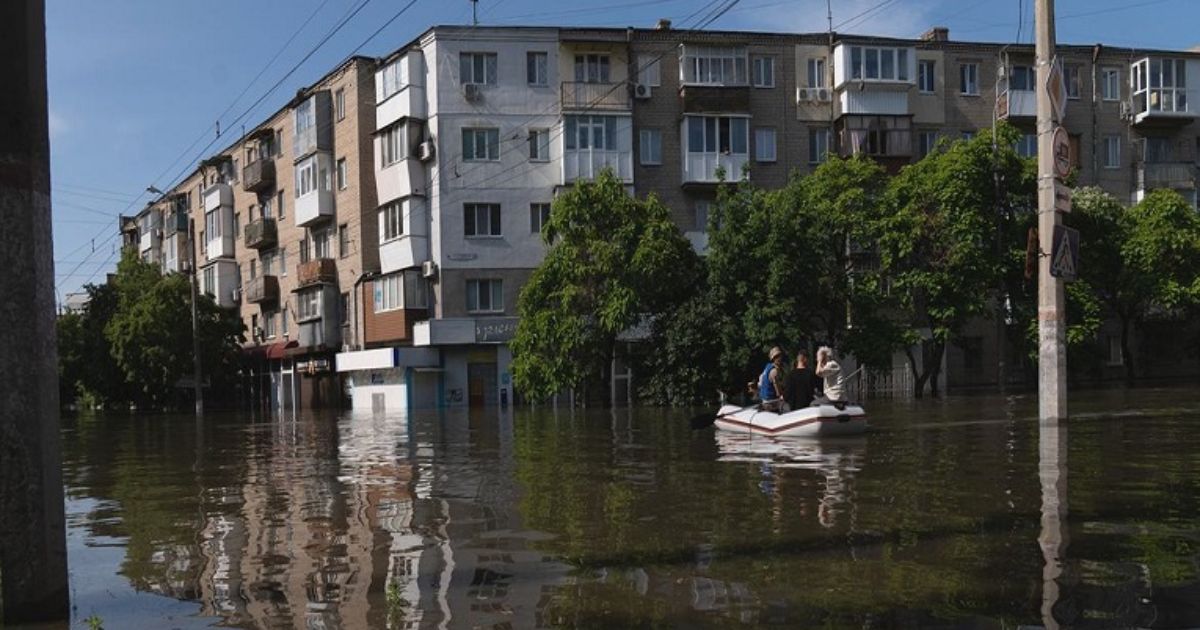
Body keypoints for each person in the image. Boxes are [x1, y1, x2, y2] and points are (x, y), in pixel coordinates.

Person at [757, 346, 788, 412]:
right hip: (771, 403)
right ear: (773, 358)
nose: (779, 358)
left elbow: (760, 383)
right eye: (777, 357)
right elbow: (778, 392)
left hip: (764, 400)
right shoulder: (774, 371)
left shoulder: (767, 367)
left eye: (779, 356)